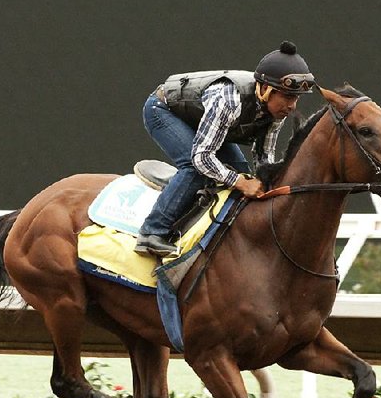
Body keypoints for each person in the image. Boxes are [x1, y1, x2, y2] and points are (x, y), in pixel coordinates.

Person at [134, 41, 315, 257]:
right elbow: (202, 157)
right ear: (265, 89)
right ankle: (152, 233)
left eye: (295, 98)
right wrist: (240, 182)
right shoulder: (229, 101)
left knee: (239, 169)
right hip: (163, 110)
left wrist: (267, 184)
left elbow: (264, 158)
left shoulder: (276, 112)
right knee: (195, 168)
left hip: (202, 117)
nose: (292, 106)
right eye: (287, 96)